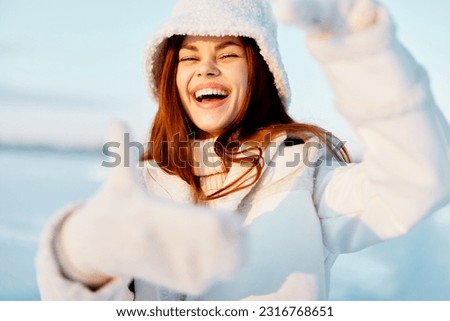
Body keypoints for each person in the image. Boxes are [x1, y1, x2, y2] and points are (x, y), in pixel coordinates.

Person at [36, 0, 450, 300]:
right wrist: (81, 258)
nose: (206, 68)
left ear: (261, 73)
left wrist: (364, 49)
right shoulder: (142, 183)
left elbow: (416, 182)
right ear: (170, 77)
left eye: (228, 54)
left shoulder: (303, 172)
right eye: (188, 56)